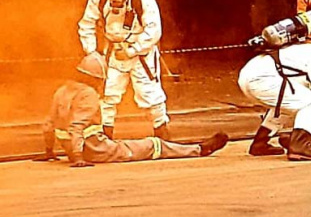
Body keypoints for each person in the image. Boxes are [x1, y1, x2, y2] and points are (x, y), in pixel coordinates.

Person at [35, 53, 228, 166]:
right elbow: (77, 127)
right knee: (152, 145)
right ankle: (199, 149)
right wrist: (78, 158)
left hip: (77, 149)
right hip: (95, 150)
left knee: (130, 144)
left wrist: (49, 151)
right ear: (96, 78)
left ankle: (192, 147)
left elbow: (48, 124)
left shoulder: (62, 90)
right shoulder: (88, 95)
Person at [78, 0, 170, 140]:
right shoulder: (98, 0)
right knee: (107, 95)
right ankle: (105, 137)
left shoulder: (144, 1)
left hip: (140, 55)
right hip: (112, 54)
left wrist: (132, 50)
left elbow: (153, 30)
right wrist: (92, 53)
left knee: (150, 94)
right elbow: (86, 25)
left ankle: (163, 135)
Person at [237, 32, 311, 161]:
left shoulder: (306, 51)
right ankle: (300, 147)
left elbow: (304, 99)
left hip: (249, 75)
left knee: (294, 103)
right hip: (262, 79)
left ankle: (260, 143)